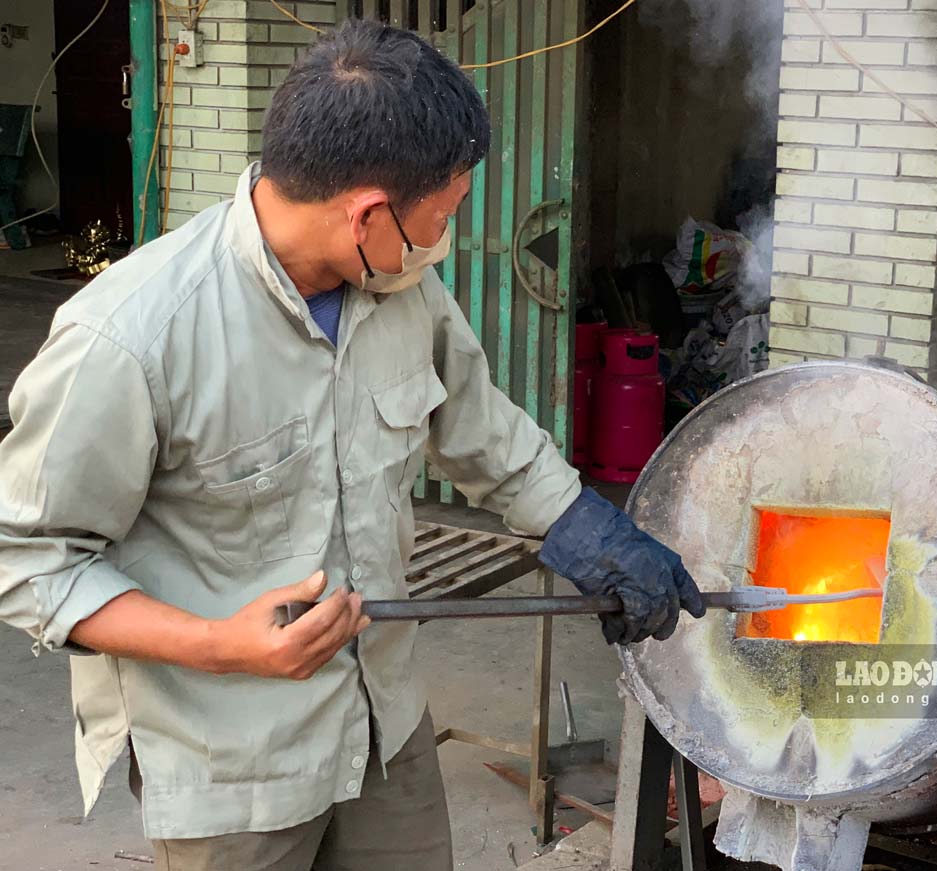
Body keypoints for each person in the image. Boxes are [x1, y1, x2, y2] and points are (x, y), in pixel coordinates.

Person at [0, 19, 703, 871]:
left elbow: (478, 423)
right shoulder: (130, 338)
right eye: (438, 221)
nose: (440, 243)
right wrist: (222, 644)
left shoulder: (397, 282)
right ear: (366, 211)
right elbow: (31, 562)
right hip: (234, 762)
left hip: (383, 722)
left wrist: (593, 531)